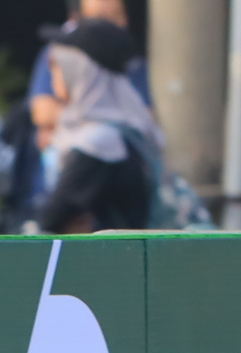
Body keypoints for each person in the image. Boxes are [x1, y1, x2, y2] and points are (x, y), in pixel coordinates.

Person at [25, 18, 165, 233]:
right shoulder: (127, 127)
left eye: (57, 64)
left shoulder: (100, 144)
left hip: (118, 253)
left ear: (80, 71)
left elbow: (49, 221)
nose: (52, 72)